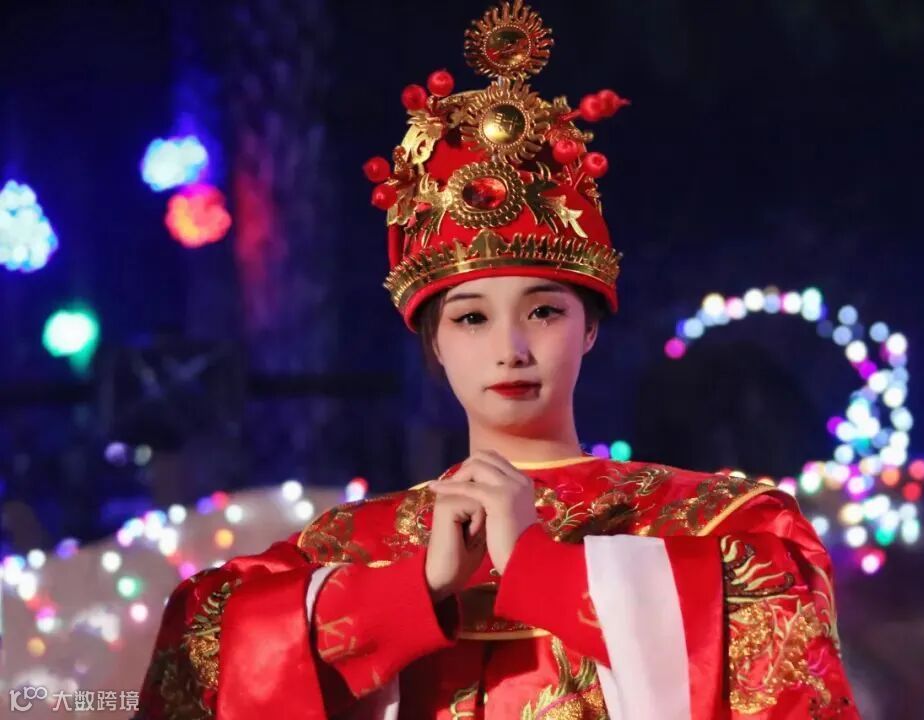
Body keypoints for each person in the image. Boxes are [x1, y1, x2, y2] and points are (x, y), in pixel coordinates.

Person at [136, 2, 859, 717]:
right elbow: (204, 647)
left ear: (590, 327)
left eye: (544, 312)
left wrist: (542, 565)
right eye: (472, 318)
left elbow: (779, 635)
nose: (510, 351)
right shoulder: (356, 545)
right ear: (434, 342)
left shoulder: (714, 523)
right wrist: (412, 588)